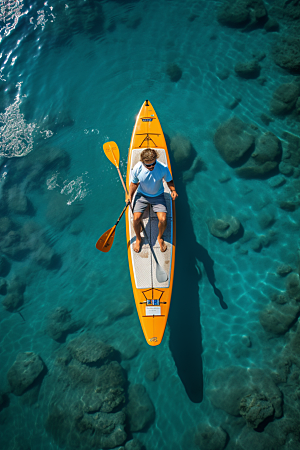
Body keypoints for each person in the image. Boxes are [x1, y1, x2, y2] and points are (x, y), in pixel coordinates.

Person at [127, 148, 178, 253]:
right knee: (136, 218)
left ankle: (160, 237)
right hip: (142, 195)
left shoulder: (162, 168)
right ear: (142, 162)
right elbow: (134, 183)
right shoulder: (137, 168)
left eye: (153, 164)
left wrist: (173, 190)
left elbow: (169, 181)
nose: (151, 167)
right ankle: (138, 238)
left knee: (163, 219)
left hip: (158, 196)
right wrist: (129, 196)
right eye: (148, 165)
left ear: (156, 160)